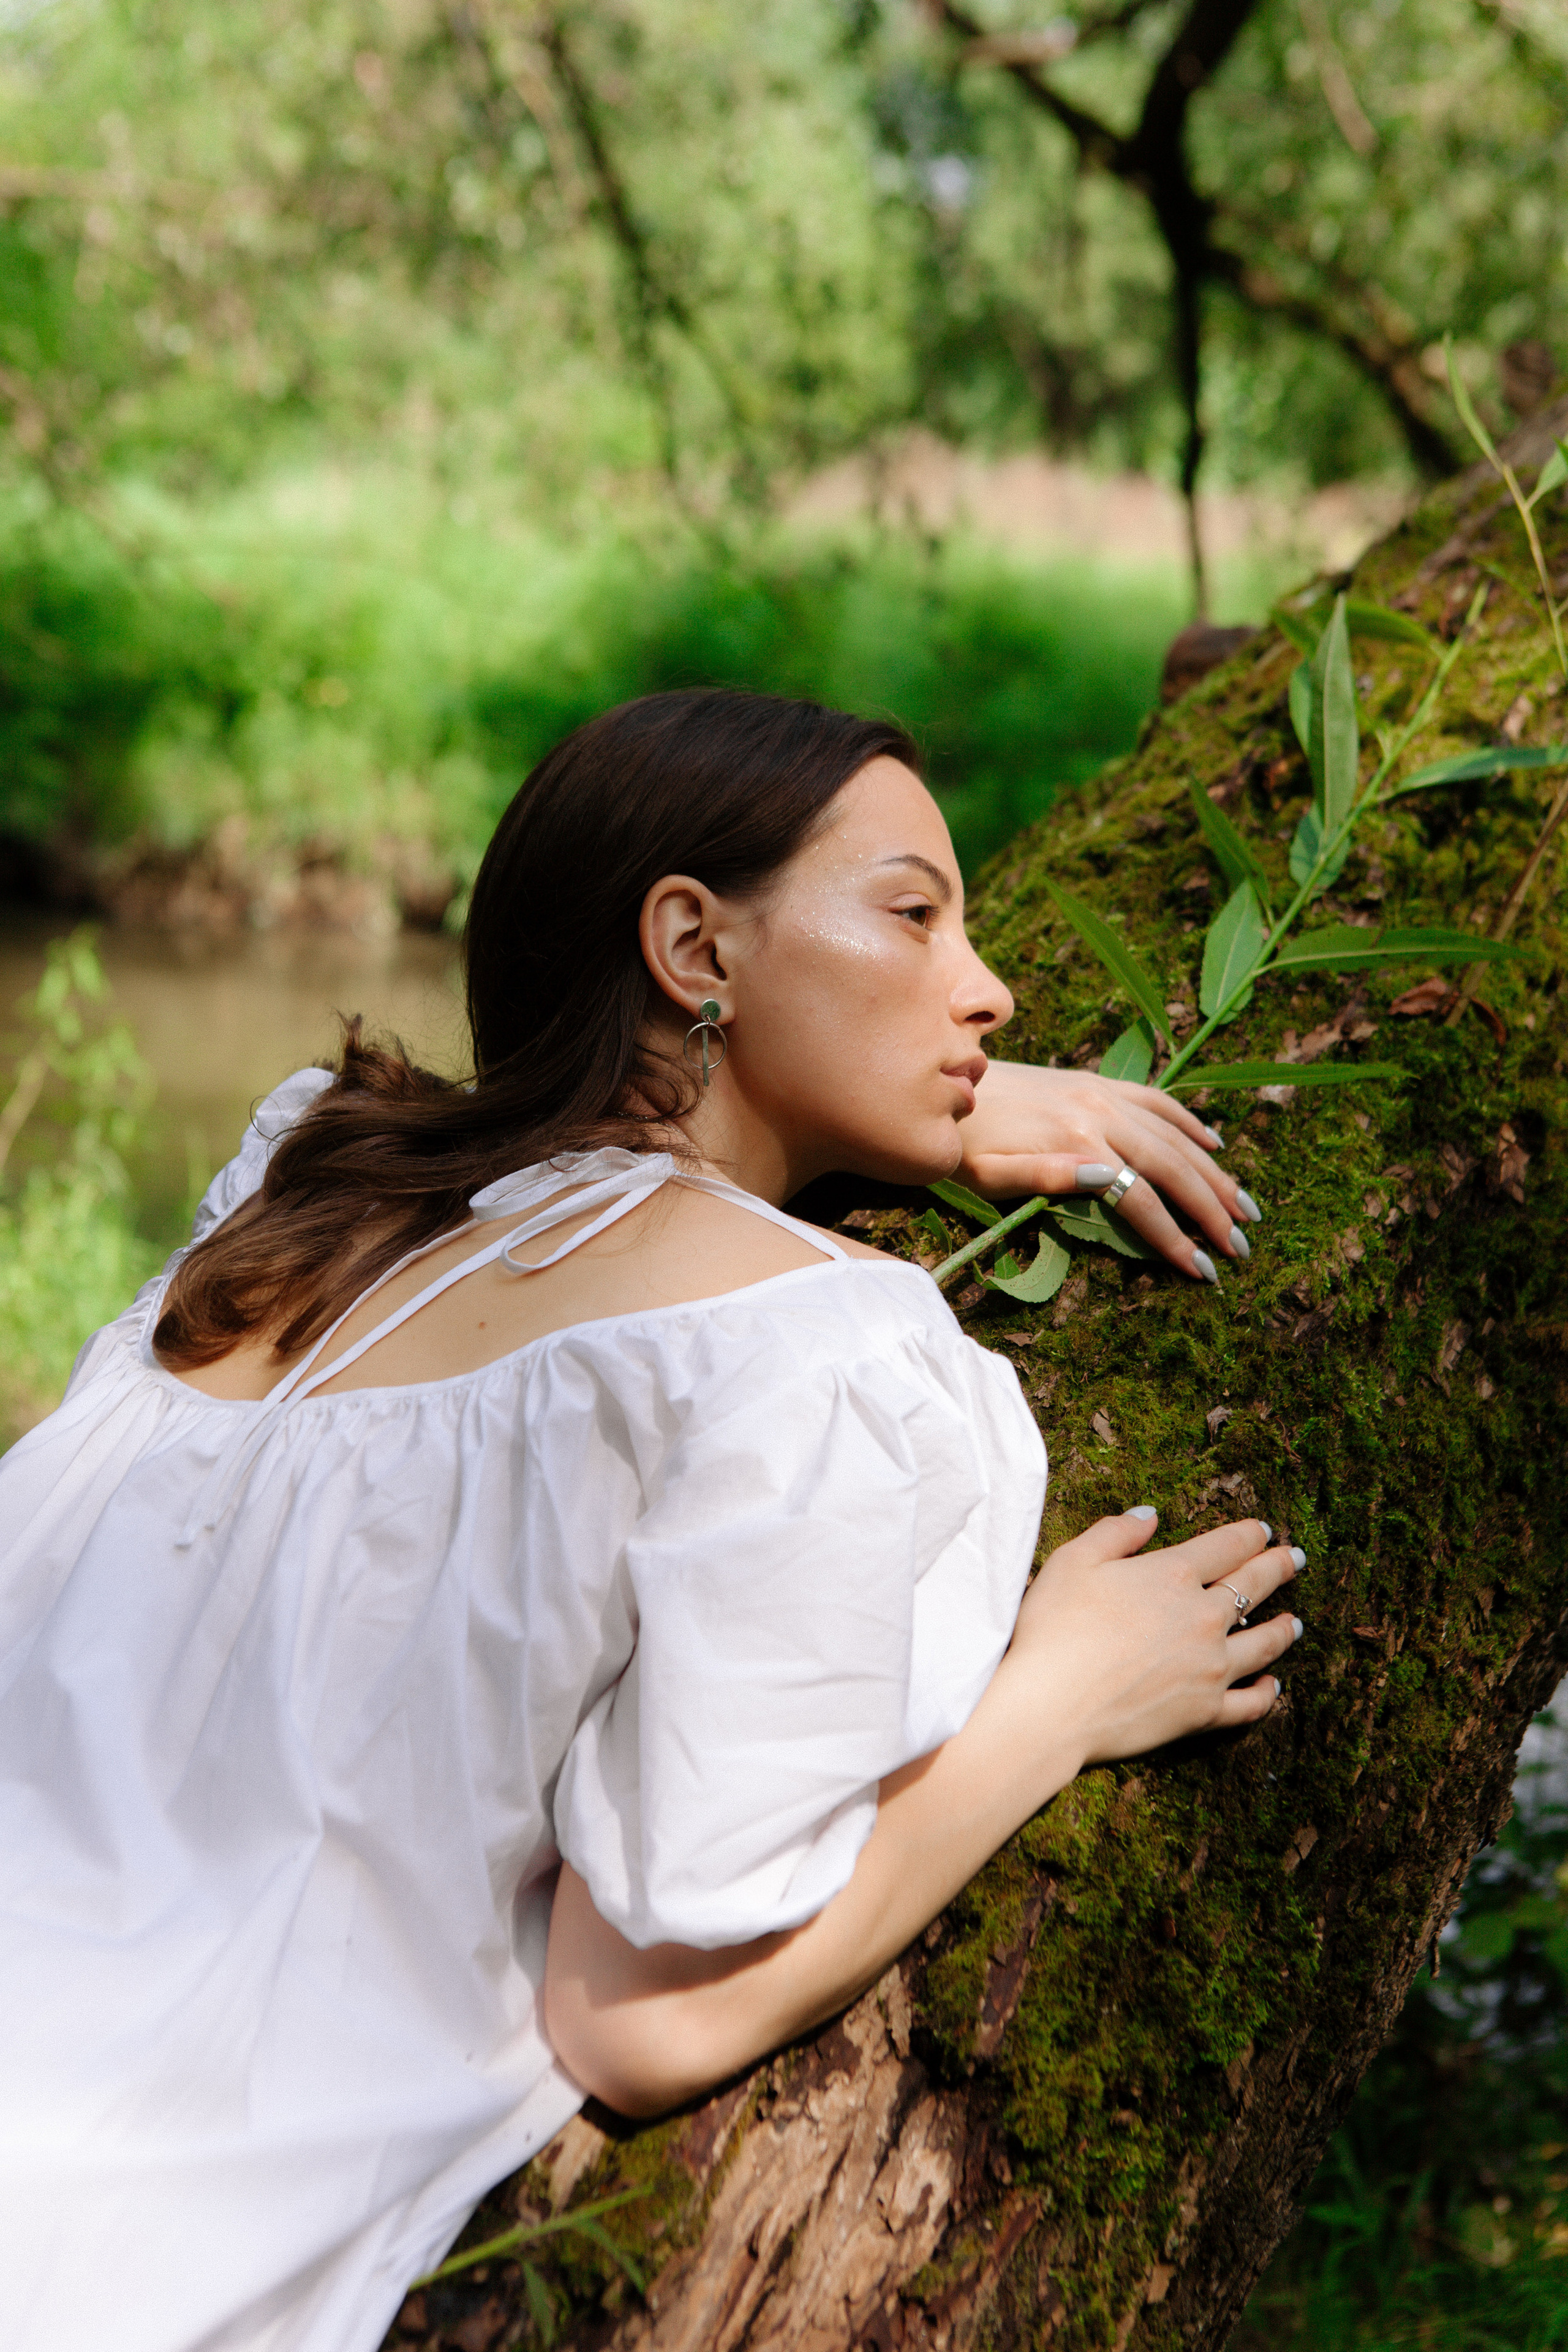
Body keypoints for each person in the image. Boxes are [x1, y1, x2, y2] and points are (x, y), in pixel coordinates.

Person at [0, 691, 1300, 2352]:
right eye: (915, 913)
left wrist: (926, 1102)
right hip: (117, 2215)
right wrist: (1062, 1697)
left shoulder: (308, 1188)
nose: (990, 987)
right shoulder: (804, 1350)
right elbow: (635, 2021)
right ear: (693, 943)